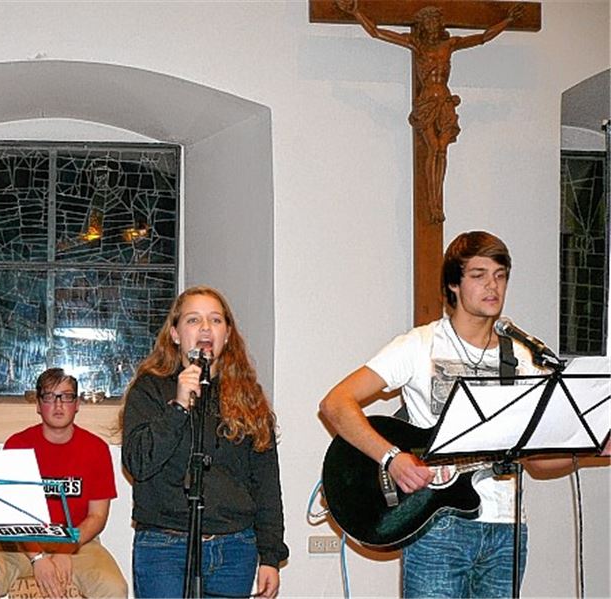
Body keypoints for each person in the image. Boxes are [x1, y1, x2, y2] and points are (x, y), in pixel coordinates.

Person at [319, 230, 579, 597]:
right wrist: (392, 458)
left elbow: (536, 462)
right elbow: (336, 403)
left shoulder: (523, 358)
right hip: (437, 528)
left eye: (500, 275)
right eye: (479, 275)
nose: (493, 285)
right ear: (454, 284)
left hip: (507, 531)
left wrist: (589, 449)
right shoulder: (419, 346)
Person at [122, 285, 288, 598]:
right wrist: (178, 406)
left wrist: (270, 555)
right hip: (165, 547)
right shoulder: (150, 389)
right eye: (193, 320)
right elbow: (138, 463)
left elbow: (266, 482)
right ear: (175, 333)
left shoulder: (248, 396)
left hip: (234, 549)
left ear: (227, 334)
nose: (205, 328)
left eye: (215, 320)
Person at [336, 0, 523, 223]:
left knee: (442, 150)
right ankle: (433, 203)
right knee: (433, 149)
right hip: (426, 103)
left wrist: (508, 20)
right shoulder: (416, 44)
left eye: (436, 22)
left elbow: (483, 37)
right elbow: (377, 32)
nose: (433, 26)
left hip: (445, 102)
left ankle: (437, 201)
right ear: (423, 26)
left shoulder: (450, 44)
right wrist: (356, 12)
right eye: (429, 22)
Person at [0, 368, 127, 598]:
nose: (58, 405)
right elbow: (10, 514)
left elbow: (97, 516)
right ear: (38, 405)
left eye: (66, 397)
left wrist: (66, 549)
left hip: (78, 543)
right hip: (18, 544)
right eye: (49, 397)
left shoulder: (96, 448)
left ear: (77, 404)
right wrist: (37, 557)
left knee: (113, 587)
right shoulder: (17, 445)